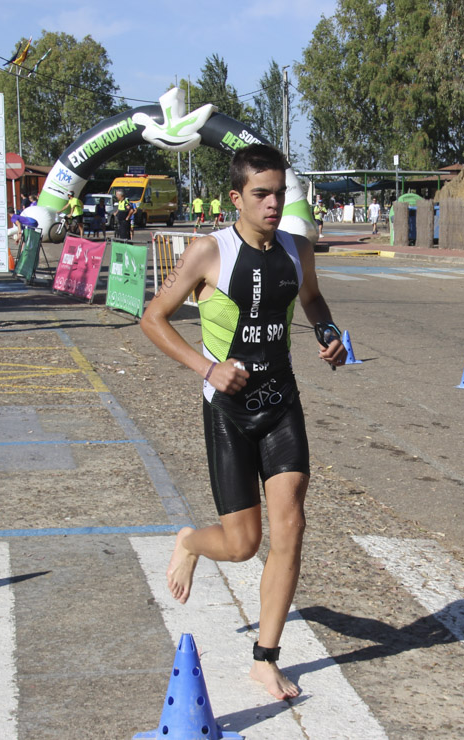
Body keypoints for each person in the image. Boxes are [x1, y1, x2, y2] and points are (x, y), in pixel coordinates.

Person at [140, 144, 347, 701]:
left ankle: (266, 658)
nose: (274, 203)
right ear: (237, 198)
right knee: (242, 545)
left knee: (292, 527)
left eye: (279, 192)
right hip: (229, 411)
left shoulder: (299, 250)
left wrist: (329, 336)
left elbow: (313, 301)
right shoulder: (209, 252)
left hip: (282, 403)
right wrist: (207, 367)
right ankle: (190, 540)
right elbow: (153, 319)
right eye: (262, 194)